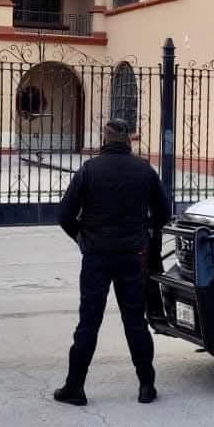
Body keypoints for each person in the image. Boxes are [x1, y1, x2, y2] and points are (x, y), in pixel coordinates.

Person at [54, 119, 171, 406]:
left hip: (96, 256)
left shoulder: (89, 170)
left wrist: (82, 237)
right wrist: (145, 232)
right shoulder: (144, 170)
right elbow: (164, 212)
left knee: (89, 322)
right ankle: (146, 385)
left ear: (104, 139)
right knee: (135, 321)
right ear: (128, 139)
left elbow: (65, 215)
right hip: (133, 255)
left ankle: (75, 387)